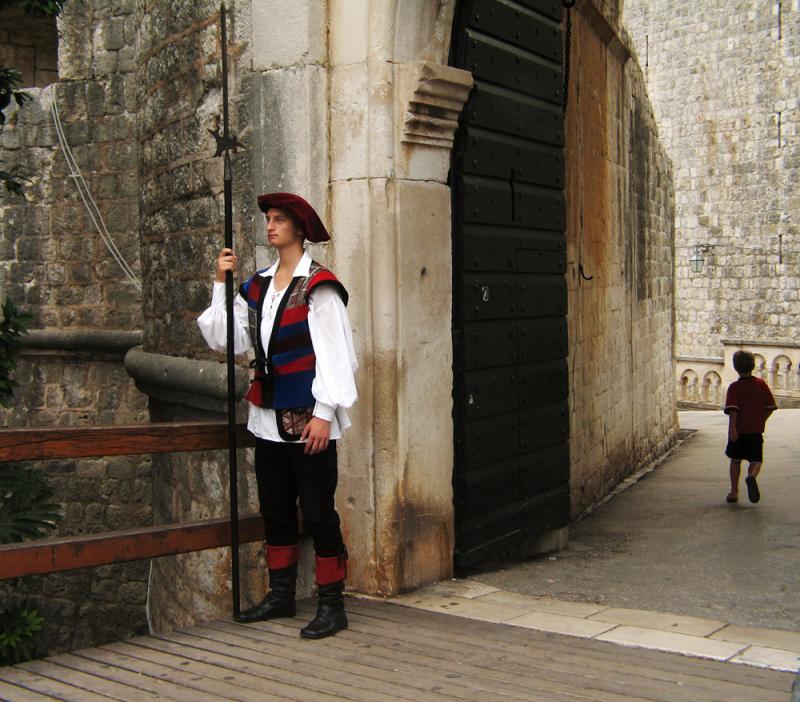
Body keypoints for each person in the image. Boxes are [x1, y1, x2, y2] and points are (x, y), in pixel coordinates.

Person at [197, 192, 357, 639]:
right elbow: (226, 339)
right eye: (268, 219)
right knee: (276, 510)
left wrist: (325, 413)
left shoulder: (319, 286)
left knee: (320, 512)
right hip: (266, 418)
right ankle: (281, 596)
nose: (270, 226)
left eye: (279, 219)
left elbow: (337, 355)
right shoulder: (260, 284)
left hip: (309, 419)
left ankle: (332, 604)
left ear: (299, 228)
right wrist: (219, 282)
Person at [723, 350, 776, 504]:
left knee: (735, 460)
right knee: (756, 460)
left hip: (739, 430)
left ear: (735, 367)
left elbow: (733, 410)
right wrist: (762, 420)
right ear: (753, 365)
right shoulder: (761, 384)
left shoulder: (734, 387)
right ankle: (751, 476)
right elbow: (770, 407)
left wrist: (732, 428)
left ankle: (734, 492)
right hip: (755, 430)